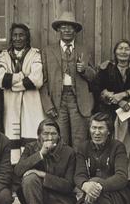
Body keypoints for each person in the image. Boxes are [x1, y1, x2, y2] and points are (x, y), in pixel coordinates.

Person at [67, 112, 130, 204]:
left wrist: (98, 185)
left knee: (96, 180)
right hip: (92, 196)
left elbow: (122, 177)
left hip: (115, 197)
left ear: (108, 131)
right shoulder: (83, 148)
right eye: (94, 128)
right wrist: (85, 185)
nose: (97, 132)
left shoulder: (118, 147)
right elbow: (79, 175)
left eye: (101, 128)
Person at [40, 11, 96, 149]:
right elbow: (43, 81)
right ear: (58, 29)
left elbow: (94, 77)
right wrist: (48, 105)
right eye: (64, 27)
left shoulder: (84, 49)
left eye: (70, 27)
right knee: (60, 139)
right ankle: (63, 169)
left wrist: (84, 70)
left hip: (79, 101)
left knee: (80, 140)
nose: (67, 30)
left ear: (75, 30)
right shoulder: (48, 51)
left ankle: (80, 170)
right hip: (57, 101)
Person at [14, 118, 76, 204]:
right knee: (30, 178)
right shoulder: (30, 148)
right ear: (39, 136)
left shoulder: (69, 152)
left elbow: (69, 185)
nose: (50, 137)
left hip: (59, 198)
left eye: (53, 134)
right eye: (45, 134)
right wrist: (40, 154)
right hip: (37, 196)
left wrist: (43, 175)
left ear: (59, 136)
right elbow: (18, 171)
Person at [0, 23, 45, 164]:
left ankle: (31, 168)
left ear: (27, 37)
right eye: (15, 35)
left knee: (31, 133)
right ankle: (14, 173)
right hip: (10, 103)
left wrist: (13, 82)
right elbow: (1, 80)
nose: (18, 38)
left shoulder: (35, 54)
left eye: (21, 35)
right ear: (11, 37)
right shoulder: (4, 56)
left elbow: (36, 80)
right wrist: (23, 75)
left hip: (31, 102)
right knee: (12, 138)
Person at [94, 39, 130, 155]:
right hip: (109, 111)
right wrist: (117, 101)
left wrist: (124, 94)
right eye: (120, 48)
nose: (123, 52)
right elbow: (98, 88)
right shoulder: (106, 68)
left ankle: (129, 171)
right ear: (115, 52)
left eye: (126, 49)